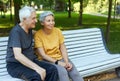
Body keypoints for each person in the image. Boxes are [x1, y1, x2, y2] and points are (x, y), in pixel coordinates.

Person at [6, 6, 58, 81]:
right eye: (33, 18)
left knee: (52, 69)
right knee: (36, 76)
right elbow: (18, 56)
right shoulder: (16, 32)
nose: (36, 21)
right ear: (24, 19)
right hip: (16, 65)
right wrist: (38, 68)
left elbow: (39, 34)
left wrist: (51, 36)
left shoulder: (29, 29)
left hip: (31, 61)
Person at [34, 11, 84, 81]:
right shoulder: (38, 35)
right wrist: (59, 63)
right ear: (42, 23)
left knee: (74, 72)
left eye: (52, 20)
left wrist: (66, 61)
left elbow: (62, 47)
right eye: (48, 21)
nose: (51, 23)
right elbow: (43, 55)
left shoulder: (57, 31)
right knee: (62, 72)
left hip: (59, 57)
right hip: (47, 60)